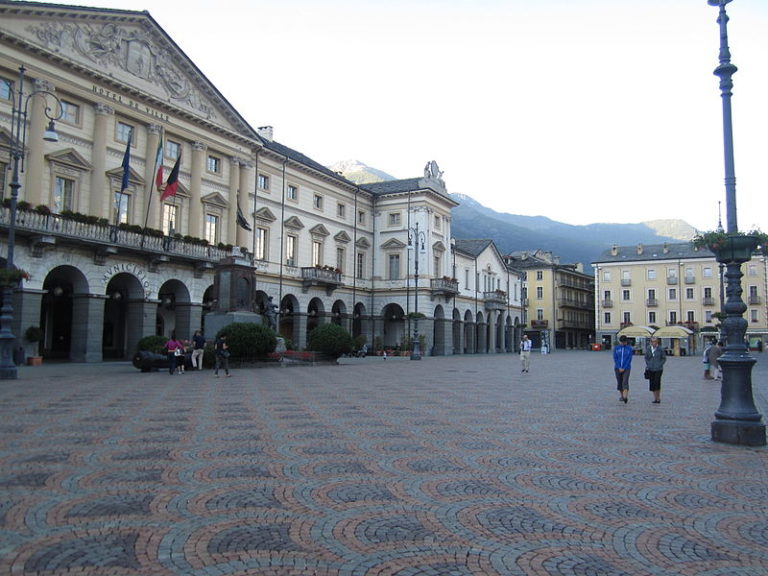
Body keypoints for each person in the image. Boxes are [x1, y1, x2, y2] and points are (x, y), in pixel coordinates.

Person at [645, 336, 666, 403]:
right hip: (650, 368)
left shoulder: (660, 349)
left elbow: (663, 358)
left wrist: (660, 364)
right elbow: (646, 358)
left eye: (655, 341)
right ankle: (655, 398)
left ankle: (658, 398)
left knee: (657, 382)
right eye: (652, 341)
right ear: (650, 342)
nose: (653, 343)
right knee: (652, 383)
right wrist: (648, 364)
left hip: (658, 369)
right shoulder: (648, 349)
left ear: (657, 342)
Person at [613, 335, 633, 403]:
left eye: (624, 342)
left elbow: (629, 359)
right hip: (617, 368)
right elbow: (615, 358)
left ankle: (625, 397)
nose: (623, 343)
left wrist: (624, 367)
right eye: (621, 342)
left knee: (625, 381)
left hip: (626, 368)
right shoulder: (616, 348)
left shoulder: (629, 348)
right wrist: (619, 367)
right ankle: (622, 396)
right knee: (619, 382)